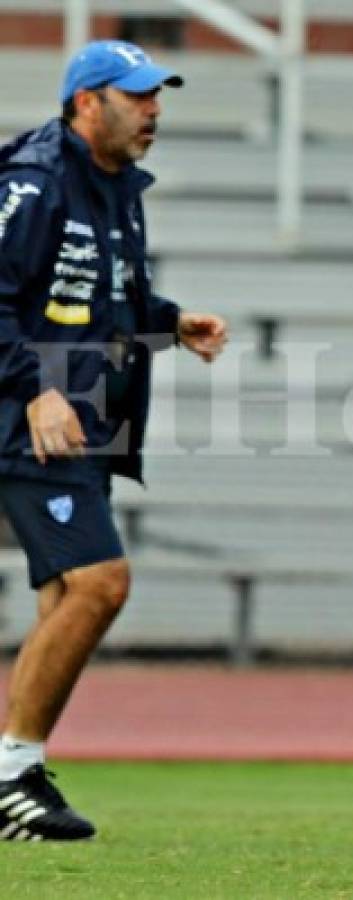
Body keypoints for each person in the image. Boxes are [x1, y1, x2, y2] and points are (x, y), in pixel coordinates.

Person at [0, 40, 227, 841]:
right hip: (30, 422)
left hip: (86, 419)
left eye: (157, 95)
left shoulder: (114, 184)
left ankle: (16, 776)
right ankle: (10, 775)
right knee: (99, 583)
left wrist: (169, 321)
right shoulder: (34, 181)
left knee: (68, 594)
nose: (154, 109)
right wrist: (36, 390)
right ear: (86, 102)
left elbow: (103, 290)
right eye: (137, 96)